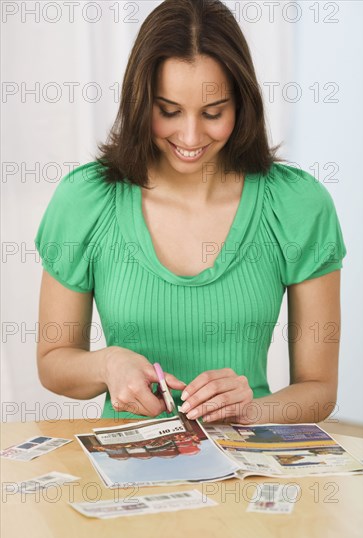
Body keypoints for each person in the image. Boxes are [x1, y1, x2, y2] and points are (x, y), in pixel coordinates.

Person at [34, 0, 346, 425]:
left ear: (242, 104)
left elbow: (319, 389)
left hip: (249, 463)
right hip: (127, 464)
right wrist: (106, 364)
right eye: (169, 111)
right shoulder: (84, 199)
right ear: (141, 103)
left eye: (213, 113)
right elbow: (53, 361)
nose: (191, 136)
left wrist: (251, 410)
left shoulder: (298, 205)